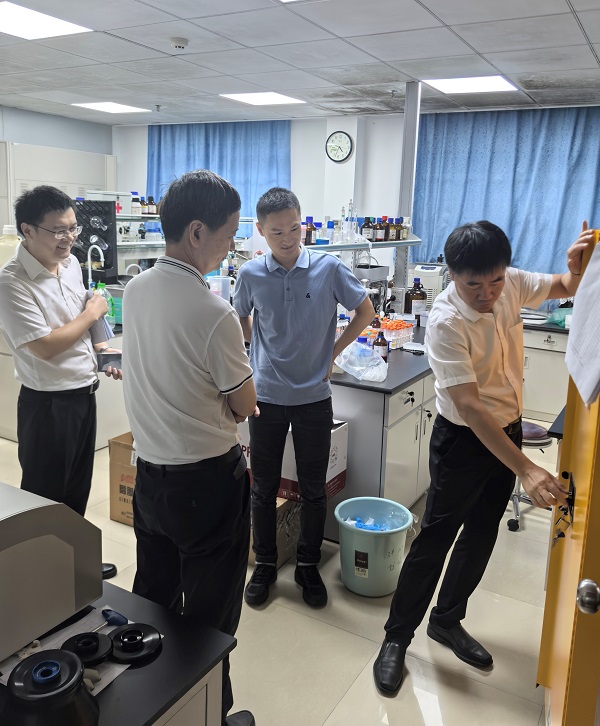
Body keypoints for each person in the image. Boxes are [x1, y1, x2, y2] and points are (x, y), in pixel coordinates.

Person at [373, 220, 595, 695]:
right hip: (463, 439)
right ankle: (396, 639)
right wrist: (527, 467)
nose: (487, 293)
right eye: (474, 284)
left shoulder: (509, 282)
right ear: (451, 274)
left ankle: (446, 619)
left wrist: (577, 269)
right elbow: (471, 408)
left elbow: (564, 286)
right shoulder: (446, 322)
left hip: (506, 430)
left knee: (481, 532)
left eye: (494, 281)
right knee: (436, 537)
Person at [122, 170, 256, 726]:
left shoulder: (135, 288)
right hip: (207, 485)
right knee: (209, 618)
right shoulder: (213, 312)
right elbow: (245, 404)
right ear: (197, 232)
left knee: (152, 600)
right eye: (229, 234)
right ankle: (208, 716)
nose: (232, 245)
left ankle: (145, 708)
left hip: (151, 478)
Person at [234, 187, 375, 608]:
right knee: (263, 487)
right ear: (260, 230)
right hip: (266, 396)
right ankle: (265, 564)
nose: (288, 238)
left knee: (314, 489)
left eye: (295, 228)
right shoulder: (250, 274)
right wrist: (255, 351)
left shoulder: (328, 268)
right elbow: (240, 315)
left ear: (304, 224)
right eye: (277, 232)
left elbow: (365, 311)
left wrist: (334, 352)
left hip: (314, 397)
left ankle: (308, 565)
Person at [0, 185, 121, 579]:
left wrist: (103, 350)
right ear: (28, 230)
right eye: (58, 230)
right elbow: (46, 347)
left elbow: (83, 313)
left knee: (77, 489)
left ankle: (75, 567)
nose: (69, 238)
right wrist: (93, 313)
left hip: (83, 395)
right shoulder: (11, 282)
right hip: (48, 406)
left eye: (73, 228)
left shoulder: (69, 264)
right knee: (45, 498)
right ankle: (43, 579)